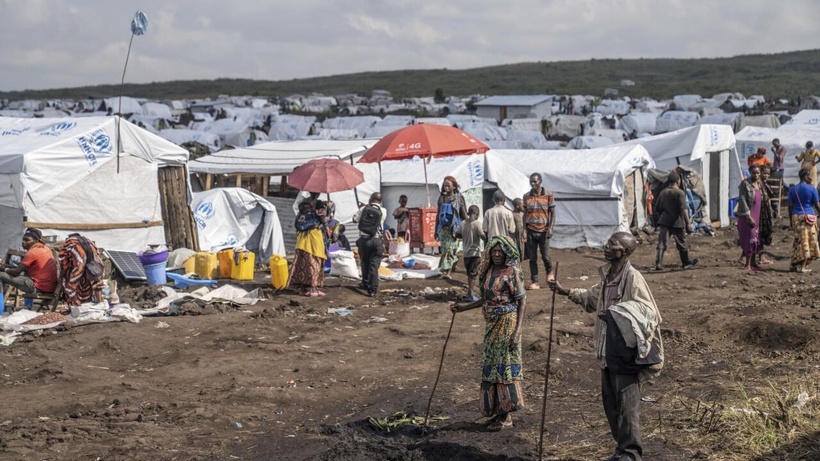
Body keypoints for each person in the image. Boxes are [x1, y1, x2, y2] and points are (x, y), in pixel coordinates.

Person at [549, 232, 663, 461]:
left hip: (625, 350)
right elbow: (592, 298)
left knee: (627, 406)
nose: (607, 247)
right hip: (607, 348)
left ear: (625, 251)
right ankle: (621, 450)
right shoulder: (609, 276)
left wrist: (615, 314)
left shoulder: (633, 277)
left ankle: (631, 453)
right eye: (608, 243)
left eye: (613, 245)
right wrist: (566, 292)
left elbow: (648, 311)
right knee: (611, 404)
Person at [450, 236, 526, 431]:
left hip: (507, 324)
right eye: (494, 251)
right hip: (491, 326)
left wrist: (517, 331)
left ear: (508, 252)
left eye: (500, 251)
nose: (497, 254)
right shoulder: (489, 271)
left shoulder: (512, 272)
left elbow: (521, 302)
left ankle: (506, 416)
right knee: (491, 367)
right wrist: (463, 307)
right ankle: (495, 412)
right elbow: (484, 300)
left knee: (503, 368)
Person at [654, 171, 698, 270]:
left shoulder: (663, 192)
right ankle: (686, 262)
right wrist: (688, 223)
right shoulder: (680, 193)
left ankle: (658, 263)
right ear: (678, 181)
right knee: (681, 243)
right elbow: (683, 209)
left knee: (662, 243)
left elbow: (657, 208)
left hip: (664, 221)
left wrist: (662, 217)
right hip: (677, 222)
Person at [0, 228, 58, 300]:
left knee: (1, 275)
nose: (23, 242)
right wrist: (4, 266)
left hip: (39, 287)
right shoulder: (45, 248)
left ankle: (0, 306)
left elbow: (16, 272)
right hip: (49, 287)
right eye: (23, 240)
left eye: (27, 240)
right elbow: (21, 268)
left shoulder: (32, 252)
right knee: (25, 274)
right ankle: (28, 306)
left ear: (36, 241)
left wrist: (4, 269)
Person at [523, 172, 556, 289]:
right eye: (531, 181)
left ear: (540, 181)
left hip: (544, 231)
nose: (532, 183)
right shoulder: (526, 196)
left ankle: (550, 272)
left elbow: (552, 212)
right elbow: (525, 214)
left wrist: (551, 227)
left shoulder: (548, 195)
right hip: (531, 230)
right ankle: (535, 281)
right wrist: (524, 230)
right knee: (532, 258)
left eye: (535, 181)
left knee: (545, 256)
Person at [290, 199, 326, 297]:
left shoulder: (304, 204)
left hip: (302, 240)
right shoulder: (319, 204)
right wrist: (325, 214)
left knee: (302, 265)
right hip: (313, 239)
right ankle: (313, 289)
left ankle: (303, 289)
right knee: (314, 264)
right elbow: (323, 221)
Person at [787, 168, 820, 273]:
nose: (811, 177)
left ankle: (793, 264)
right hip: (808, 217)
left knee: (798, 240)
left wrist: (791, 220)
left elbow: (790, 206)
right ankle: (803, 267)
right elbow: (817, 205)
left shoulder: (793, 189)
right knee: (808, 242)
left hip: (796, 217)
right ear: (805, 176)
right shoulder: (812, 189)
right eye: (809, 175)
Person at [354, 192, 386, 297]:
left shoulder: (364, 209)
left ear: (370, 198)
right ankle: (373, 290)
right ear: (380, 201)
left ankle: (365, 283)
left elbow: (355, 219)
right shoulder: (383, 211)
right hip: (377, 240)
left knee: (364, 262)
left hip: (364, 240)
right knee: (374, 265)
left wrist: (362, 208)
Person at [435, 176, 467, 280]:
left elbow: (463, 214)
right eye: (444, 185)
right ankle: (453, 262)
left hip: (454, 228)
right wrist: (436, 230)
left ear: (454, 187)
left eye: (448, 185)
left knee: (450, 249)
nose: (446, 187)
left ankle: (447, 272)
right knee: (445, 250)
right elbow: (438, 214)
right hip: (443, 229)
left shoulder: (459, 199)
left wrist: (468, 225)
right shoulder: (442, 198)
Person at [58, 233, 104, 306]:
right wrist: (78, 305)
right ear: (85, 272)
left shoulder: (99, 267)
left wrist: (101, 304)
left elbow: (99, 286)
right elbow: (70, 289)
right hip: (71, 258)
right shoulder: (79, 268)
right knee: (68, 280)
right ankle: (73, 305)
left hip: (87, 251)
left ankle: (85, 302)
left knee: (87, 288)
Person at [736, 165, 764, 271]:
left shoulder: (759, 184)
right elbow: (742, 199)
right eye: (753, 173)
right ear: (750, 173)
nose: (756, 175)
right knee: (750, 238)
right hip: (748, 215)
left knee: (756, 238)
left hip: (757, 214)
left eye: (757, 173)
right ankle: (747, 264)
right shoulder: (745, 184)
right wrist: (748, 216)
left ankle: (753, 263)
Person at [461, 205, 486, 302]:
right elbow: (482, 236)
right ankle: (470, 294)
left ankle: (469, 294)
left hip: (466, 253)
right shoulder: (477, 224)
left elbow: (457, 234)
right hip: (475, 253)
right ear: (477, 214)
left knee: (469, 274)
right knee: (474, 274)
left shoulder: (463, 223)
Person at [757, 166, 776, 265]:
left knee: (763, 235)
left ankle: (761, 257)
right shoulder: (757, 184)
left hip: (765, 214)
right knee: (759, 235)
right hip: (759, 214)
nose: (766, 175)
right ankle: (759, 257)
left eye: (768, 174)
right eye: (764, 173)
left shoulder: (764, 184)